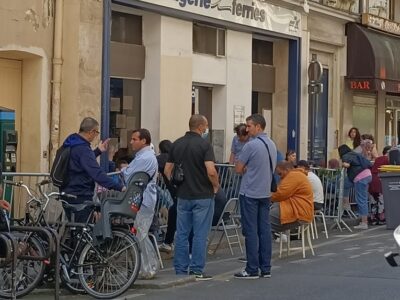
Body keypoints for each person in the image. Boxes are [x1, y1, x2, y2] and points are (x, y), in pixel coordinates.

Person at [164, 114, 219, 281]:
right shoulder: (205, 145)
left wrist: (175, 186)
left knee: (181, 233)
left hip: (183, 195)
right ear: (201, 127)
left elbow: (167, 170)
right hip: (203, 195)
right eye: (206, 126)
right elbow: (210, 170)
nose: (206, 129)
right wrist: (215, 186)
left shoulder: (177, 144)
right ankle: (196, 269)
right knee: (200, 234)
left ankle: (180, 270)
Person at [233, 113, 277, 279]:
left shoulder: (250, 146)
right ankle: (266, 267)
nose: (247, 128)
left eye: (249, 125)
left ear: (258, 126)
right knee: (264, 230)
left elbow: (238, 168)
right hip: (265, 192)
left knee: (251, 230)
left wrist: (245, 168)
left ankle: (251, 268)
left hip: (250, 191)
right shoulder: (271, 144)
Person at [61, 117, 124, 222]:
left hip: (69, 191)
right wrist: (119, 187)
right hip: (79, 194)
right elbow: (97, 173)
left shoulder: (72, 143)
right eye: (97, 132)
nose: (96, 136)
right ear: (92, 132)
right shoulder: (83, 149)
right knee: (82, 229)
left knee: (75, 227)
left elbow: (80, 163)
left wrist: (98, 151)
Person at [121, 128, 159, 279]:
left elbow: (129, 175)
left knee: (140, 233)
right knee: (140, 233)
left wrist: (124, 170)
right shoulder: (142, 156)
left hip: (143, 200)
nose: (131, 142)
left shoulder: (145, 158)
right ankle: (146, 266)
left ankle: (148, 267)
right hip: (142, 199)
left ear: (144, 141)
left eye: (134, 139)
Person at [270, 161, 313, 236]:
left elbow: (280, 194)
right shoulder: (298, 175)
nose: (280, 177)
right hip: (302, 211)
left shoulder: (293, 176)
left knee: (264, 222)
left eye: (280, 174)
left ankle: (263, 245)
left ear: (286, 170)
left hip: (298, 212)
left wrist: (266, 197)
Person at [338, 144, 372, 230]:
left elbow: (347, 165)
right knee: (346, 184)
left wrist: (342, 164)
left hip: (360, 177)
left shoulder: (346, 155)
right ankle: (346, 202)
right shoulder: (355, 154)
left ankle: (364, 223)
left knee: (361, 199)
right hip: (367, 174)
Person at [156, 140, 178, 253]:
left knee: (174, 213)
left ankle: (168, 242)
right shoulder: (177, 156)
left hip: (176, 192)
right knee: (174, 213)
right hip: (183, 191)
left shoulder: (161, 159)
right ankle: (169, 242)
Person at [369, 145, 391, 225]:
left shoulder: (378, 159)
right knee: (381, 199)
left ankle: (373, 218)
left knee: (373, 200)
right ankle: (381, 218)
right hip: (381, 180)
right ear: (389, 152)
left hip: (372, 180)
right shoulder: (388, 159)